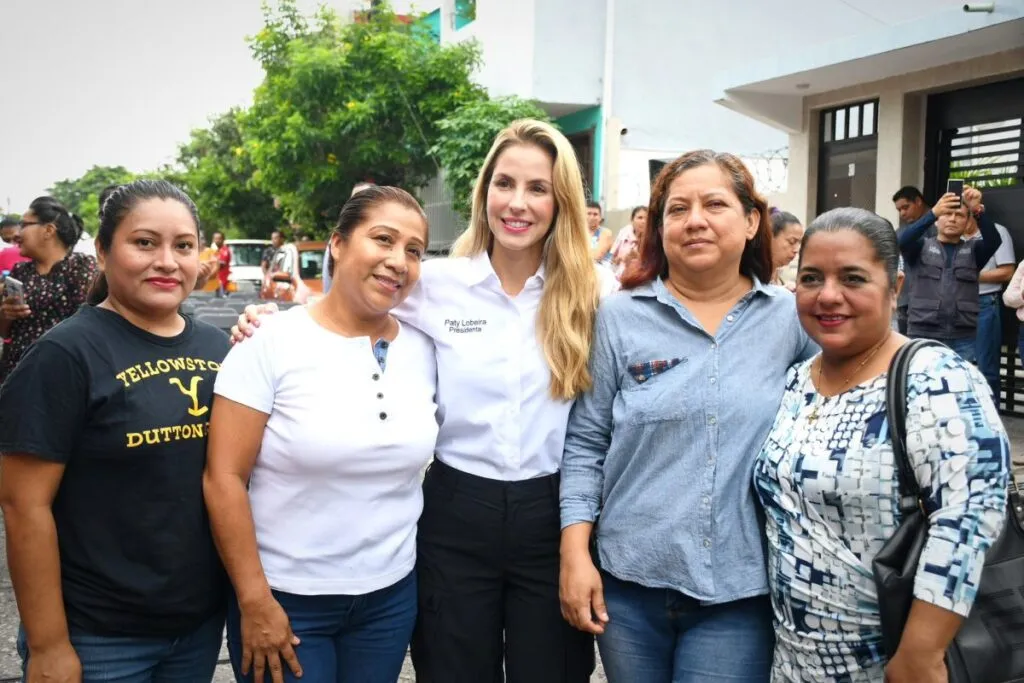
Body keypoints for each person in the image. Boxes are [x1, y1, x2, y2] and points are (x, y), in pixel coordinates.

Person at [231, 119, 601, 683]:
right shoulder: (434, 283)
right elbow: (347, 308)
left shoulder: (594, 293)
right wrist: (265, 320)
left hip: (551, 516)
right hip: (456, 512)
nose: (517, 203)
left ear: (562, 201)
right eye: (504, 184)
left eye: (538, 188)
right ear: (484, 193)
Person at [559, 149, 815, 683]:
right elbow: (585, 444)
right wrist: (575, 554)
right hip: (631, 587)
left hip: (740, 591)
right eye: (677, 209)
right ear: (659, 229)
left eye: (714, 204)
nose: (695, 220)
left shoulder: (790, 320)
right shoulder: (620, 318)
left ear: (750, 222)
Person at [755, 206, 1009, 683]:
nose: (829, 296)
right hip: (793, 661)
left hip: (892, 660)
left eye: (853, 278)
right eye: (811, 278)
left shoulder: (935, 377)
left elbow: (971, 515)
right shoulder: (796, 381)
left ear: (895, 286)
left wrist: (920, 654)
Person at [0, 179, 230, 682]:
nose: (167, 261)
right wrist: (49, 644)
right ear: (103, 252)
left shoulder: (221, 349)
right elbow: (23, 506)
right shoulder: (64, 355)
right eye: (145, 242)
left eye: (183, 246)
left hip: (195, 629)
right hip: (98, 638)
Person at [205, 186, 434, 683]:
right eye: (383, 239)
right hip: (287, 598)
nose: (398, 260)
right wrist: (254, 600)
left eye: (413, 251)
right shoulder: (269, 343)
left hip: (389, 599)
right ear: (337, 244)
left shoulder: (425, 350)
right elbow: (223, 477)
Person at [0, 197, 98, 384]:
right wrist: (5, 314)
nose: (17, 234)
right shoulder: (20, 272)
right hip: (18, 373)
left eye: (24, 225)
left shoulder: (81, 266)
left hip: (64, 373)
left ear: (48, 230)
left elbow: (91, 323)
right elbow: (5, 332)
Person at [898, 186, 1000, 362]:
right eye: (947, 214)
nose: (953, 219)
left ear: (968, 222)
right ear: (937, 221)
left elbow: (994, 241)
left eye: (959, 215)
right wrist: (932, 213)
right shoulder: (920, 247)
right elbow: (902, 241)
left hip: (963, 337)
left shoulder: (974, 250)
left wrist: (976, 210)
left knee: (958, 386)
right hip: (923, 333)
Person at [965, 213, 1015, 398]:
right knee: (960, 365)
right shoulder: (953, 235)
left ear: (970, 214)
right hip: (956, 304)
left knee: (987, 368)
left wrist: (967, 274)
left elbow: (1008, 271)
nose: (954, 219)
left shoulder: (996, 231)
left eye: (960, 214)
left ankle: (992, 419)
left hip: (985, 302)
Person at [891, 186, 934, 334]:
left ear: (918, 201)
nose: (902, 213)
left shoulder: (942, 224)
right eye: (899, 210)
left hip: (932, 302)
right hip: (905, 301)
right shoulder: (901, 231)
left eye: (905, 207)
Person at [322, 182, 376, 294]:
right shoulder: (340, 239)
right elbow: (328, 284)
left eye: (364, 197)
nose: (359, 203)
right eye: (355, 198)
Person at [769, 209, 803, 290]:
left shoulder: (777, 276)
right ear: (770, 236)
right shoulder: (750, 277)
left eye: (799, 243)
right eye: (792, 242)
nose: (796, 250)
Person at [610, 206, 647, 278]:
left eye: (647, 219)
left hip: (641, 280)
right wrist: (619, 259)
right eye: (640, 217)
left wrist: (638, 260)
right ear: (632, 219)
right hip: (619, 277)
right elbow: (611, 258)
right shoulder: (624, 233)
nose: (644, 221)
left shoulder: (653, 239)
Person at [588, 200, 613, 265]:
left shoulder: (606, 233)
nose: (592, 217)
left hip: (600, 271)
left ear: (600, 217)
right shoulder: (579, 233)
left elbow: (598, 255)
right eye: (589, 213)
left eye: (595, 214)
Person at [212, 231, 232, 296]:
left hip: (223, 281)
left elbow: (221, 263)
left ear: (223, 239)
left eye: (219, 238)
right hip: (217, 281)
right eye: (215, 238)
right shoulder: (216, 251)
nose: (217, 240)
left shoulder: (225, 250)